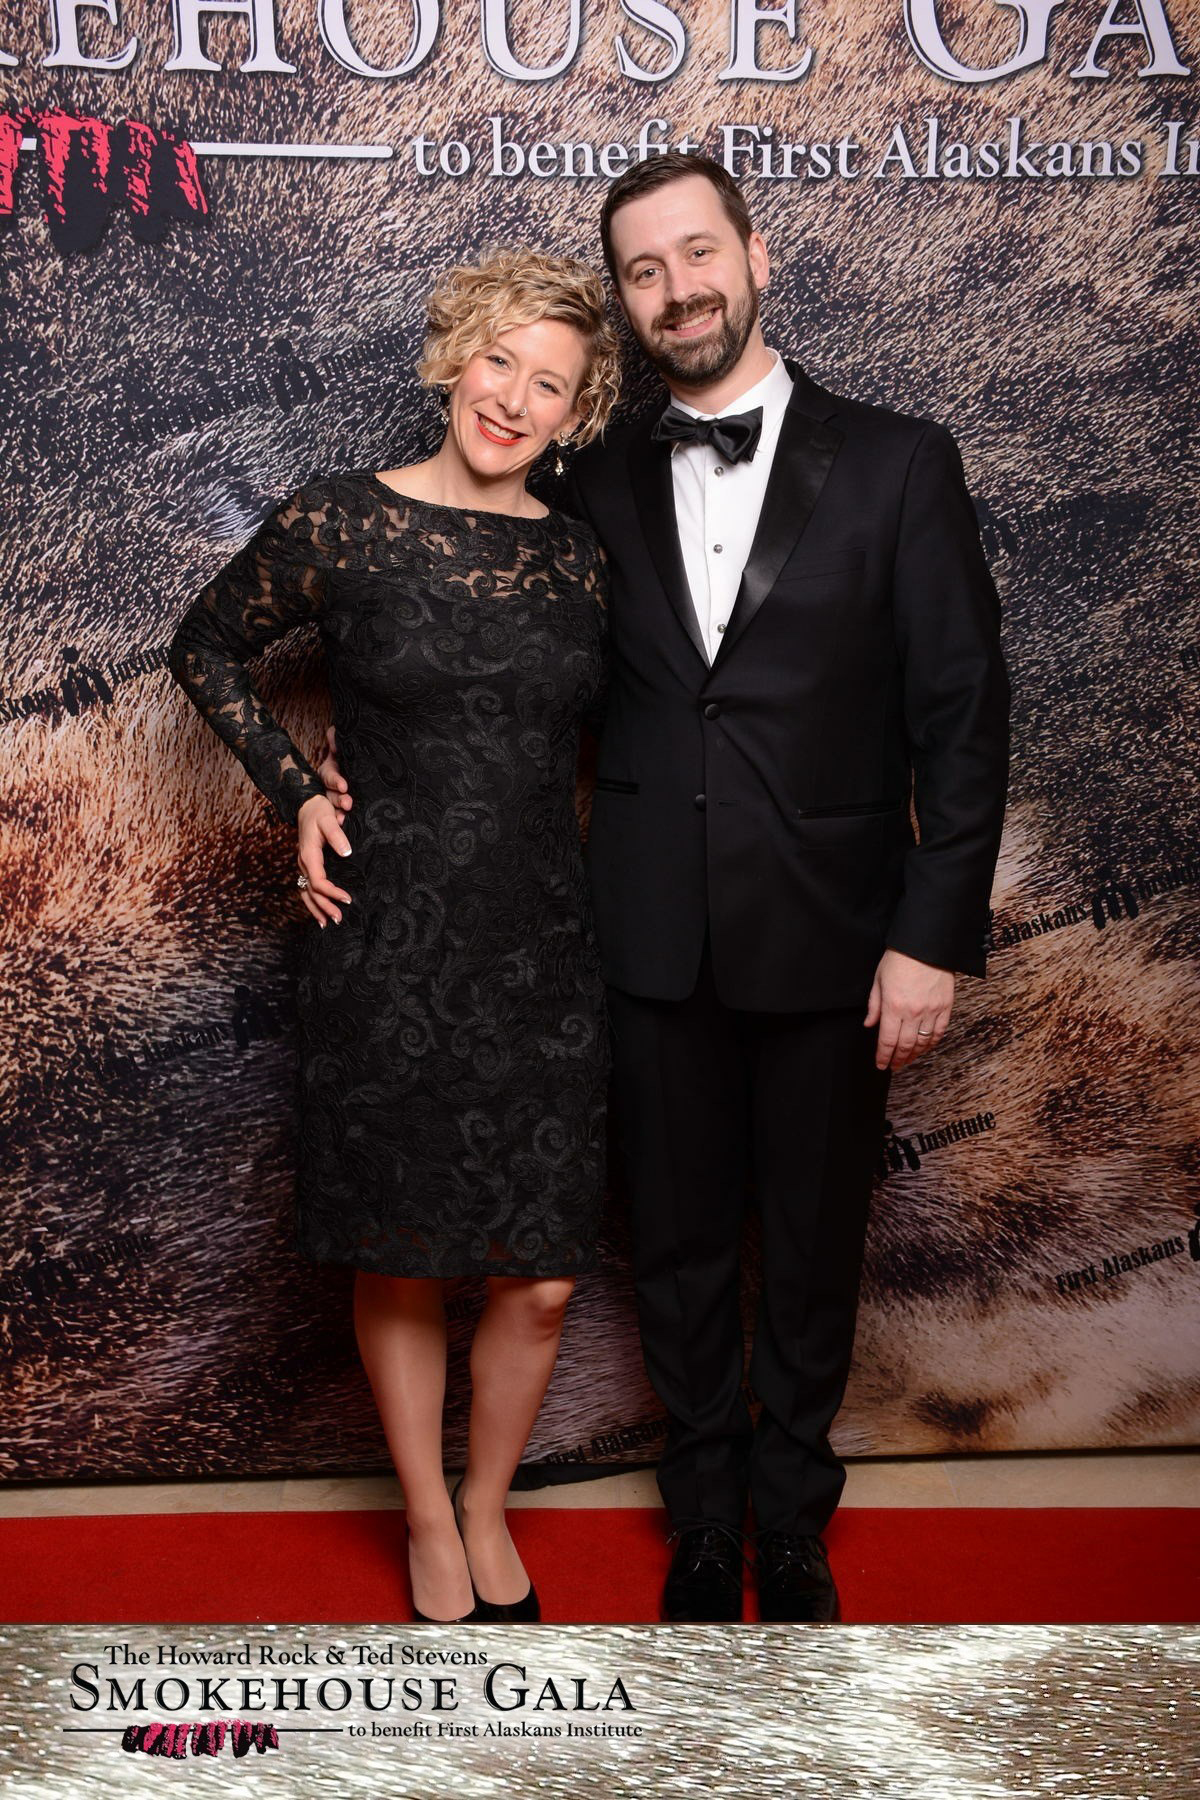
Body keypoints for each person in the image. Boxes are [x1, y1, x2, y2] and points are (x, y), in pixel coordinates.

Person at [319, 153, 1011, 1624]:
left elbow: (964, 711)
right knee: (680, 1250)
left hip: (838, 936)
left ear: (759, 257)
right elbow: (458, 634)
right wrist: (331, 760)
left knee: (816, 1248)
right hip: (634, 936)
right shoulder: (581, 477)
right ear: (625, 304)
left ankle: (793, 1520)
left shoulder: (901, 461)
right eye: (644, 270)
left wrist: (930, 936)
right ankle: (703, 1521)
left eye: (699, 254)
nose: (677, 288)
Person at [167, 247, 621, 1625]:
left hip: (547, 943)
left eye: (550, 385)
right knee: (408, 1251)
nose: (514, 400)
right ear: (455, 357)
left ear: (575, 413)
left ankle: (489, 1507)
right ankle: (430, 1520)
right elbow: (206, 648)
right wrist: (300, 793)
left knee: (538, 1279)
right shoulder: (340, 523)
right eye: (501, 362)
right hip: (385, 938)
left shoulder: (582, 554)